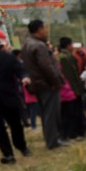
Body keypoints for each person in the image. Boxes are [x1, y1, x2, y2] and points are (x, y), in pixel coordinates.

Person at [21, 20, 65, 149]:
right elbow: (46, 66)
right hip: (47, 84)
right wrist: (55, 81)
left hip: (37, 83)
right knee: (51, 113)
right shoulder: (39, 46)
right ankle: (53, 141)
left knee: (46, 113)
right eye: (44, 28)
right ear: (39, 29)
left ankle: (51, 139)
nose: (46, 30)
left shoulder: (27, 44)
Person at [0, 40, 30, 163]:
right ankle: (7, 154)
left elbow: (20, 70)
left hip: (8, 96)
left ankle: (22, 146)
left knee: (16, 125)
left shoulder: (8, 58)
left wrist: (24, 77)